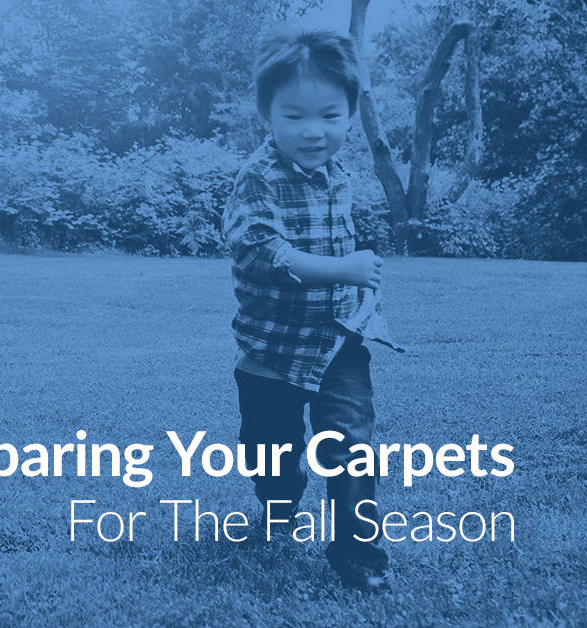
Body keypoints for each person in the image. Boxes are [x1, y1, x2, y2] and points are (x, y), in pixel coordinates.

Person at [221, 28, 403, 592]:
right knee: (271, 453)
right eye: (294, 115)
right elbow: (262, 251)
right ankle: (277, 508)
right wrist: (344, 269)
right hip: (272, 348)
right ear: (266, 115)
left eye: (329, 115)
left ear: (350, 114)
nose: (313, 131)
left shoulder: (340, 175)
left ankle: (359, 556)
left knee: (351, 446)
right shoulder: (259, 177)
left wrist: (361, 294)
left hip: (337, 341)